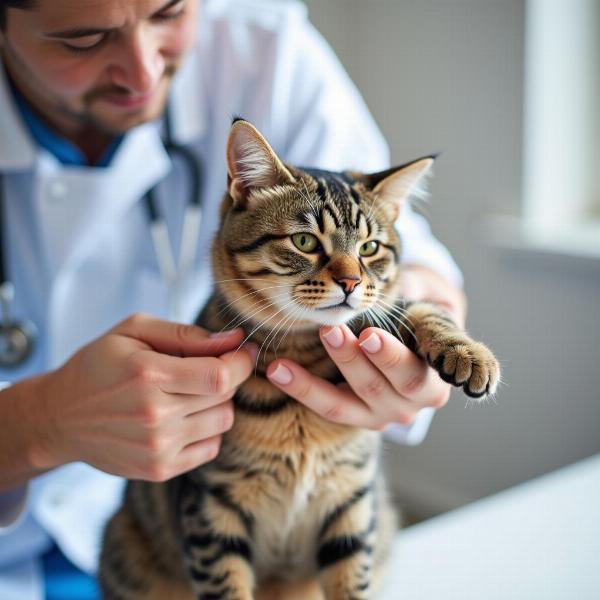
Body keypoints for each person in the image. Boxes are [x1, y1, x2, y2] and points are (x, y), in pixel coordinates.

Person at [0, 0, 466, 597]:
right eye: (83, 39)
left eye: (168, 14)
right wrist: (35, 421)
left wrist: (427, 330)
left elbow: (401, 243)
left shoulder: (264, 48)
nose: (142, 73)